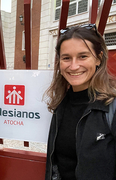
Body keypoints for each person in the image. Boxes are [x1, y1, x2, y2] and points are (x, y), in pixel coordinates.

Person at [44, 23, 116, 180]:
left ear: (98, 59)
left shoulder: (112, 106)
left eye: (83, 56)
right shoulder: (61, 104)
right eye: (66, 58)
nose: (74, 66)